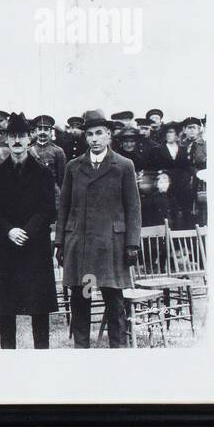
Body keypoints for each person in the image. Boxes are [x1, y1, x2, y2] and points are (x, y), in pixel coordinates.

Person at [55, 110, 142, 349]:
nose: (94, 138)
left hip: (111, 244)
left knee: (114, 300)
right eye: (89, 134)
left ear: (108, 135)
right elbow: (64, 206)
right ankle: (81, 350)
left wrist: (132, 244)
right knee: (81, 299)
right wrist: (60, 242)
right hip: (80, 243)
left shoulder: (124, 166)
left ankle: (118, 351)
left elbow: (133, 207)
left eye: (99, 133)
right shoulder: (74, 167)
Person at [0, 114, 57, 349]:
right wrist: (9, 230)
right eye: (12, 136)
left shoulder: (44, 173)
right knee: (7, 310)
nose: (17, 141)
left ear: (29, 139)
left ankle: (42, 358)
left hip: (35, 247)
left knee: (39, 309)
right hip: (6, 248)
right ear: (6, 140)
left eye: (22, 136)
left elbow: (48, 209)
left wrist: (27, 231)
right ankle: (8, 362)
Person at [29, 114, 67, 189]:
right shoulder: (29, 151)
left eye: (46, 129)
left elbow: (61, 178)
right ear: (36, 131)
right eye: (40, 129)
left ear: (50, 132)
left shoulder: (58, 151)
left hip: (52, 192)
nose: (42, 132)